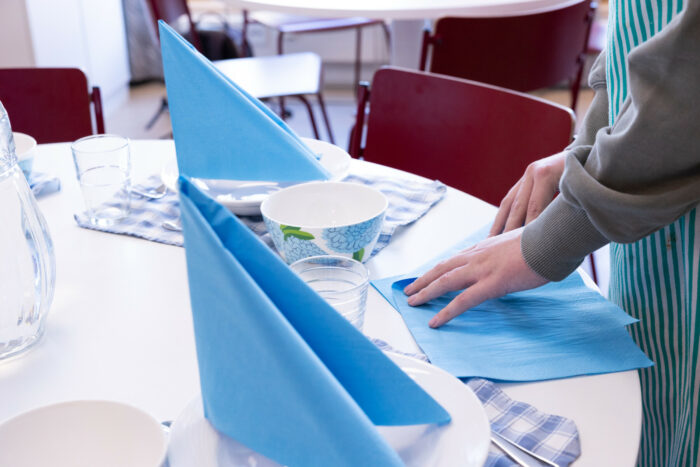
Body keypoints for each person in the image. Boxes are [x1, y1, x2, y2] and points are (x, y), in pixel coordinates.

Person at [404, 0, 700, 465]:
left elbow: (688, 84)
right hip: (646, 233)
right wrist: (589, 151)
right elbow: (641, 37)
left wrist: (546, 244)